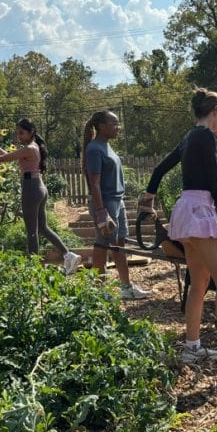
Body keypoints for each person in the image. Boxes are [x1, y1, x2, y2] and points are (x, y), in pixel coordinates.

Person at [140, 88, 217, 373]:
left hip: (185, 211)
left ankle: (192, 347)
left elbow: (160, 169)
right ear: (215, 112)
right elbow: (216, 178)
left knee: (198, 283)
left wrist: (149, 196)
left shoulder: (189, 136)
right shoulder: (206, 136)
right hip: (202, 212)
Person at [0, 118, 81, 273]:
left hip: (31, 189)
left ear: (31, 132)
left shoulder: (29, 148)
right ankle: (69, 255)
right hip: (38, 187)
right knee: (42, 228)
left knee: (31, 231)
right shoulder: (31, 147)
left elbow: (1, 159)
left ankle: (33, 269)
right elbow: (7, 156)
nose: (18, 136)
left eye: (21, 133)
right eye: (17, 133)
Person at [81, 110, 151, 299]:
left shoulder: (106, 146)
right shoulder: (94, 149)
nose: (118, 127)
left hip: (116, 201)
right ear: (102, 126)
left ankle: (118, 288)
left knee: (115, 243)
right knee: (107, 244)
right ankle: (106, 289)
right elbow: (94, 183)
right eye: (114, 123)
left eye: (118, 123)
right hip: (105, 203)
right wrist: (101, 211)